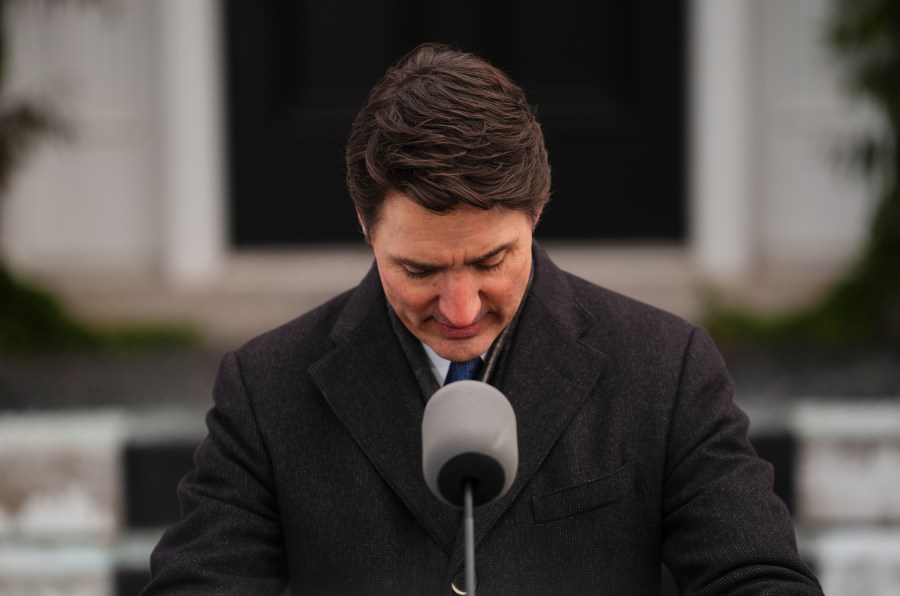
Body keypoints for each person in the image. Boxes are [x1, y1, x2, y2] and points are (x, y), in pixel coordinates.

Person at [142, 43, 823, 595]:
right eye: (420, 271)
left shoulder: (664, 369)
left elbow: (755, 576)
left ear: (537, 211)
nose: (461, 308)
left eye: (492, 261)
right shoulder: (267, 390)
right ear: (364, 226)